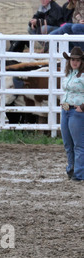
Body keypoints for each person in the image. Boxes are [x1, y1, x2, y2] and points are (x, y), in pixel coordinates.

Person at [60, 47, 84, 182]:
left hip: (77, 111)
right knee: (68, 143)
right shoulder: (69, 74)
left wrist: (83, 107)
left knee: (78, 144)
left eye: (77, 60)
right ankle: (72, 169)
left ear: (81, 61)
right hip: (66, 109)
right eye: (72, 60)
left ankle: (79, 174)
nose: (74, 62)